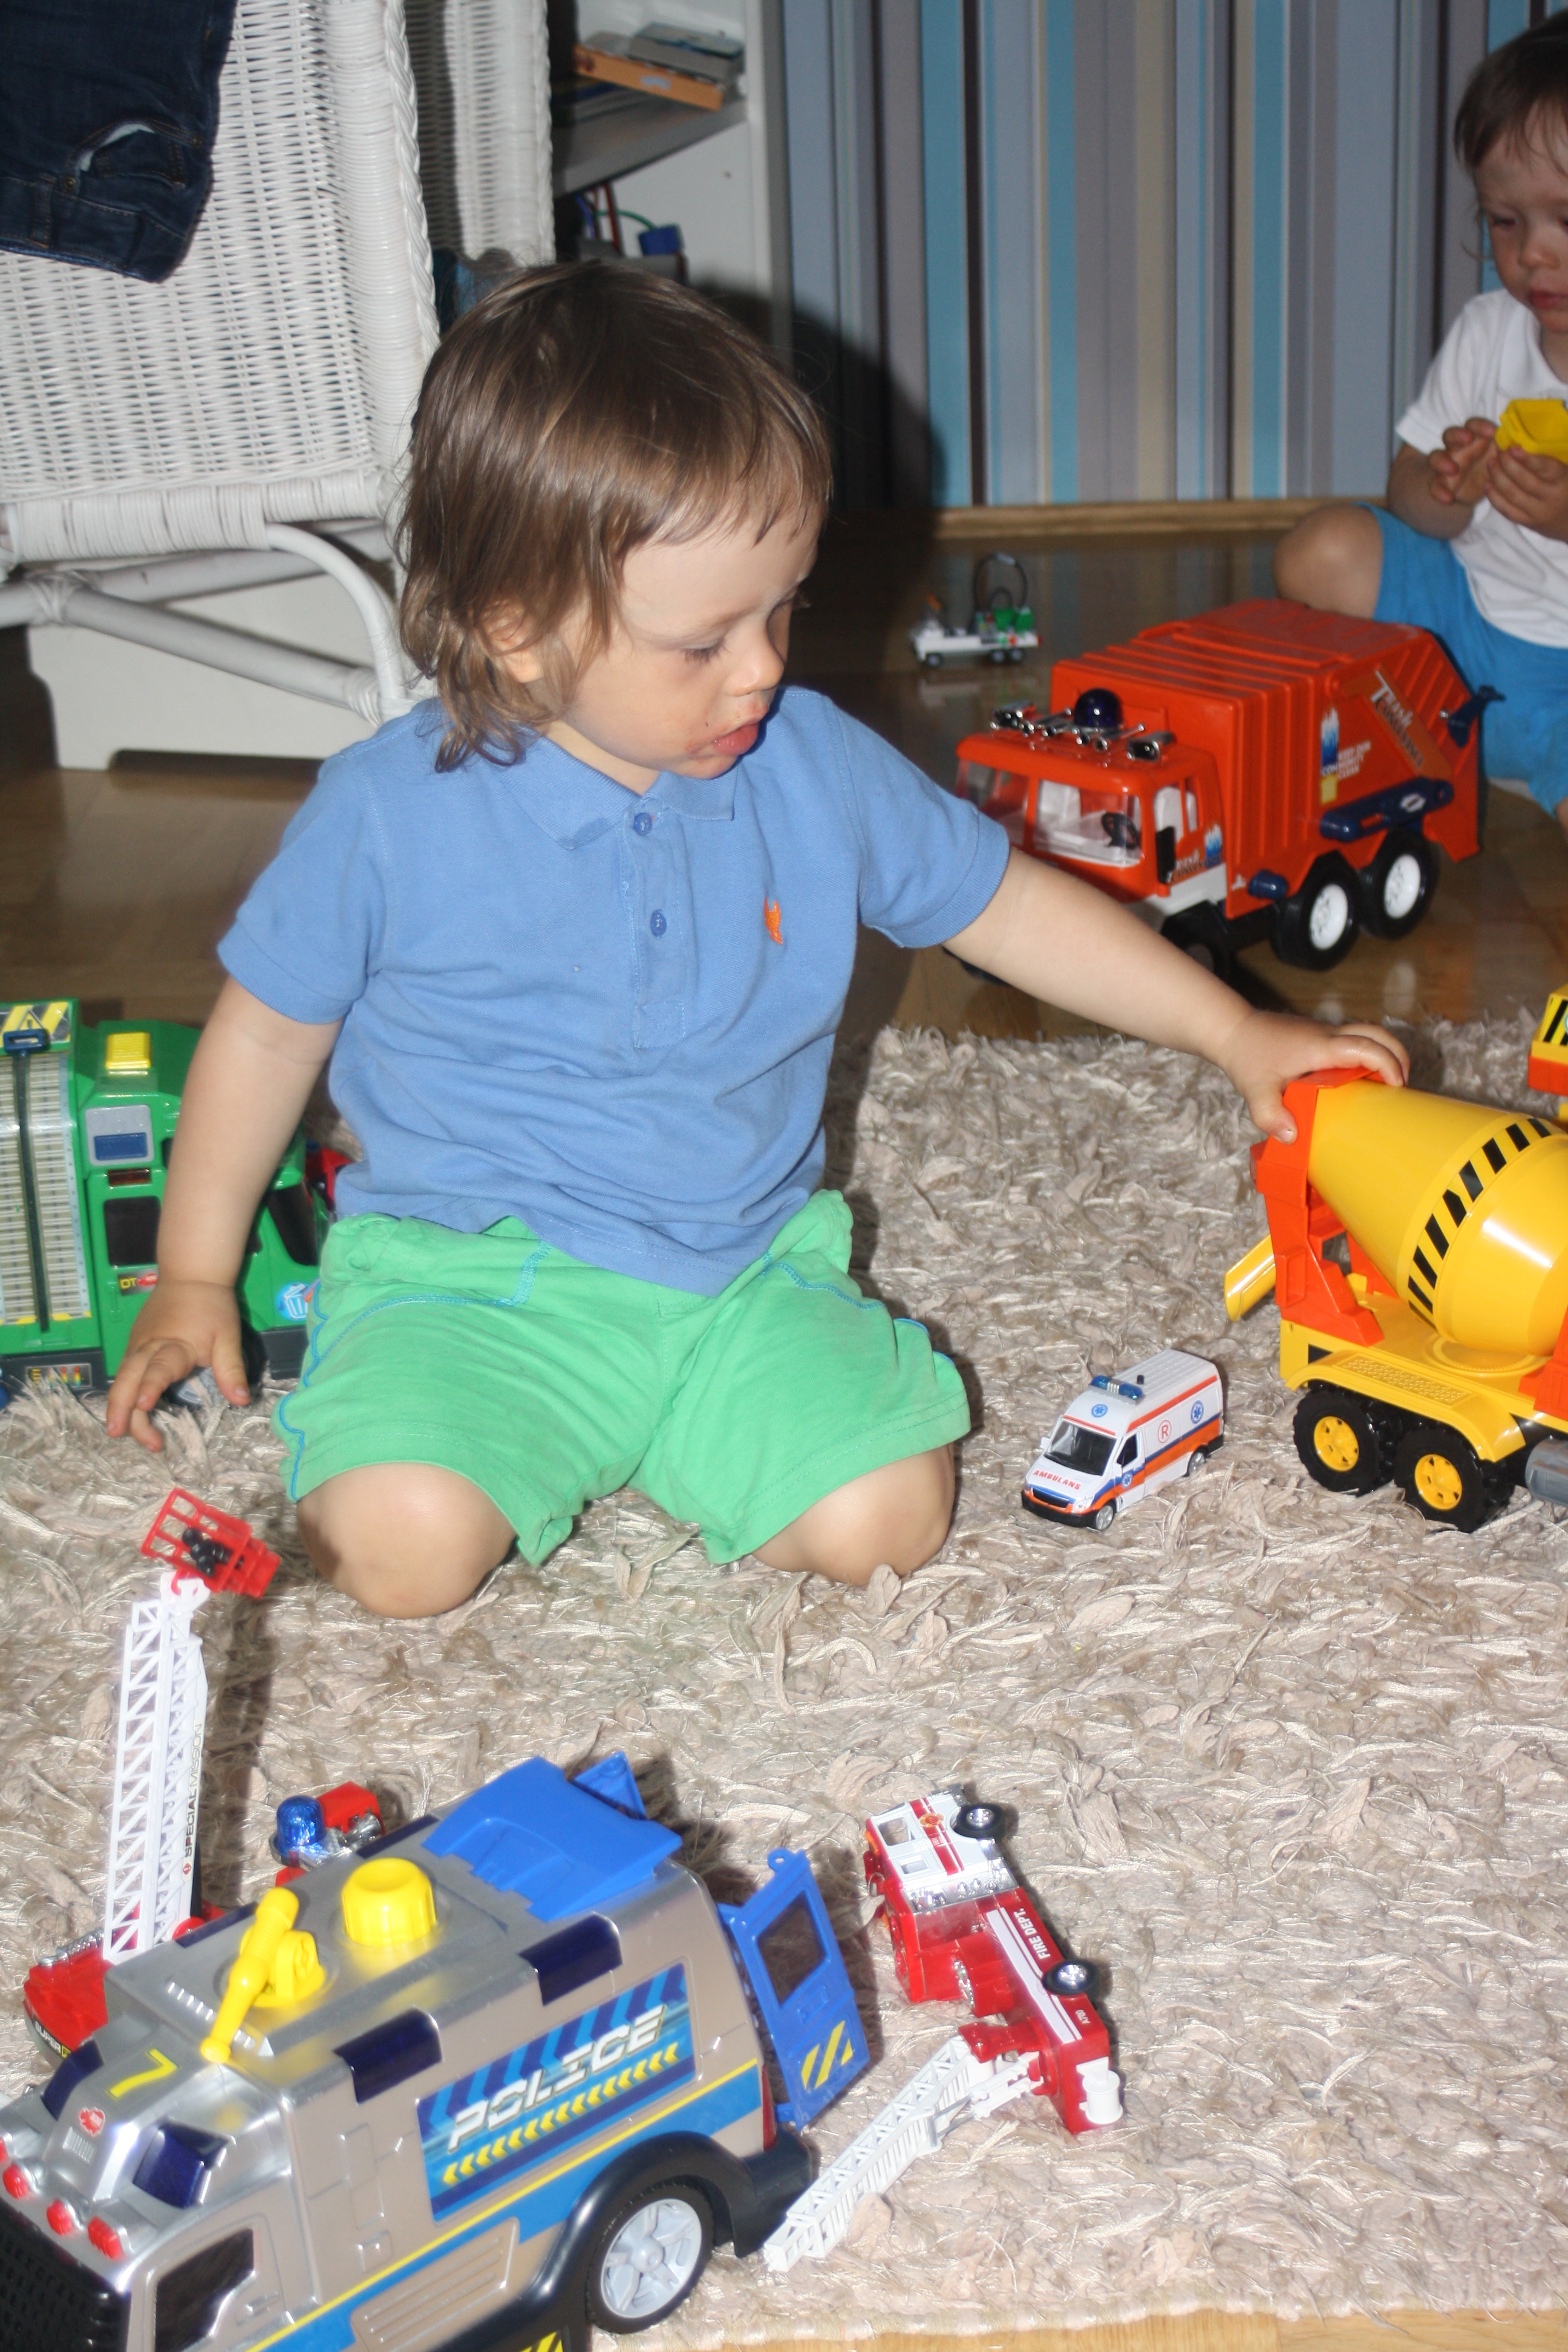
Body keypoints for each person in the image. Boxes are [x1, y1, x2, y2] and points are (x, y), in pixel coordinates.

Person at [104, 262, 1406, 1618]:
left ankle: (689, 1427)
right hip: (469, 1285)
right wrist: (194, 1272)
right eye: (703, 642)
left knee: (886, 1520)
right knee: (402, 1552)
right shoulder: (385, 814)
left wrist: (1231, 1030)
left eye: (783, 607)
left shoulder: (810, 763)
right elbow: (266, 1037)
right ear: (515, 630)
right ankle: (469, 1437)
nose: (767, 667)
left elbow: (1008, 906)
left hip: (737, 1278)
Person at [1275, 14, 1568, 837]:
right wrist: (1446, 489)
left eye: (1566, 220)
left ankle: (1509, 757)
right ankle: (1423, 723)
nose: (1533, 253)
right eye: (1504, 221)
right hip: (1456, 635)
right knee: (1319, 550)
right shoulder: (1488, 330)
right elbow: (1404, 491)